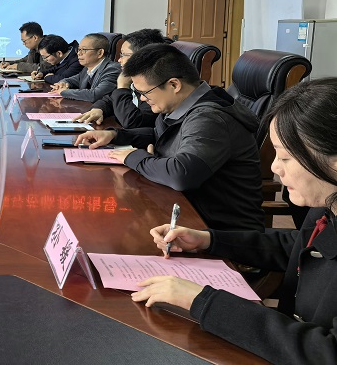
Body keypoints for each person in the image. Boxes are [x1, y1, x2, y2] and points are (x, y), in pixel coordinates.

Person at [132, 78, 337, 364]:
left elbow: (326, 352)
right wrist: (208, 240)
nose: (275, 168)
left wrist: (202, 300)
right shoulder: (327, 203)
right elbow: (299, 245)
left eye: (286, 157)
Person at [75, 43, 264, 231]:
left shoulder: (209, 118)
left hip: (218, 230)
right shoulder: (182, 105)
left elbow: (181, 174)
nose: (142, 99)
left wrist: (134, 157)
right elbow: (161, 135)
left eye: (144, 93)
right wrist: (115, 135)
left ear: (174, 85)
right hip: (182, 212)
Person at [76, 28, 169, 127]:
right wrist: (99, 109)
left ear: (142, 57)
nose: (119, 60)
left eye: (124, 55)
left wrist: (122, 87)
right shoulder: (134, 80)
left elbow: (133, 122)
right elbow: (109, 99)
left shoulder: (156, 87)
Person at [50, 33, 120, 102]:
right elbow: (72, 80)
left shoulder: (112, 69)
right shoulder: (87, 68)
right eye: (79, 49)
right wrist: (62, 83)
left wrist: (64, 92)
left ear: (100, 53)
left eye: (84, 49)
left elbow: (95, 95)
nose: (79, 53)